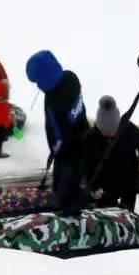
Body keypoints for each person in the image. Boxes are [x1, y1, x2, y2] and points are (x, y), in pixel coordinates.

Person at [26, 50, 90, 215]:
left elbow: (55, 129)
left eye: (38, 81)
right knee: (76, 175)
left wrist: (56, 149)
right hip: (83, 134)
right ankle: (70, 201)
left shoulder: (53, 101)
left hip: (66, 148)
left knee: (65, 188)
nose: (37, 85)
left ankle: (66, 214)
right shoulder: (71, 77)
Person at [83, 95, 139, 212]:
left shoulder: (128, 128)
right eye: (104, 131)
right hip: (105, 185)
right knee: (107, 215)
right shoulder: (91, 138)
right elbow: (87, 164)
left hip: (128, 179)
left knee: (127, 213)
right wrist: (94, 187)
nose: (109, 134)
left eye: (112, 130)